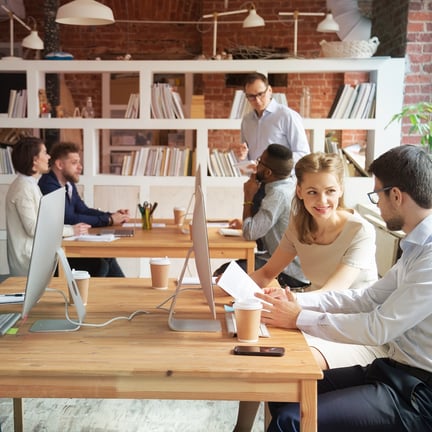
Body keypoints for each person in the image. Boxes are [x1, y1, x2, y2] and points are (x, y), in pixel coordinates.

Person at [257, 145, 432, 432]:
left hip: (418, 394)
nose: (377, 204)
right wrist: (299, 306)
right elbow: (368, 297)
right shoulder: (415, 246)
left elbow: (378, 328)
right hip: (394, 371)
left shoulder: (428, 256)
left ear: (396, 195)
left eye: (377, 195)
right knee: (285, 392)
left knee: (292, 421)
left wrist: (297, 317)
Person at [234, 152, 384, 432]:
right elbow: (267, 273)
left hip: (356, 331)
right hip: (313, 318)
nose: (322, 200)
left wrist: (288, 302)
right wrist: (229, 289)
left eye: (330, 191)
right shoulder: (298, 224)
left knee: (284, 362)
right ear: (299, 191)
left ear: (340, 189)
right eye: (313, 192)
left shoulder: (360, 230)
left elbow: (333, 293)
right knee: (259, 351)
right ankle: (241, 428)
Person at [213, 144, 308, 289]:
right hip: (283, 262)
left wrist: (248, 196)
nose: (256, 165)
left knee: (223, 275)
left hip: (288, 272)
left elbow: (249, 233)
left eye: (259, 162)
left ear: (268, 172)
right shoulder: (288, 186)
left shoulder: (277, 194)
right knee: (226, 272)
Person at [38, 141, 129, 277]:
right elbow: (68, 218)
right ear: (59, 164)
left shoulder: (68, 184)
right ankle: (90, 297)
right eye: (74, 163)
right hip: (53, 253)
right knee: (101, 264)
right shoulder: (48, 185)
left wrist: (113, 215)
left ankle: (121, 297)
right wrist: (108, 220)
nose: (80, 167)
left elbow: (82, 210)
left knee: (107, 257)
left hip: (66, 244)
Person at [6, 137, 89, 276]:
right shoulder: (23, 188)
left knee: (102, 262)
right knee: (99, 264)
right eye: (45, 153)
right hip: (32, 261)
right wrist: (71, 230)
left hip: (41, 255)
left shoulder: (30, 184)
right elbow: (34, 228)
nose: (49, 156)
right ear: (34, 160)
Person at [231, 72, 310, 166]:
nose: (257, 100)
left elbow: (303, 154)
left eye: (260, 94)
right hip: (256, 179)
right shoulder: (246, 121)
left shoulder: (287, 116)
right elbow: (246, 157)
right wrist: (242, 157)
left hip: (282, 179)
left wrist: (274, 163)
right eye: (251, 96)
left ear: (269, 90)